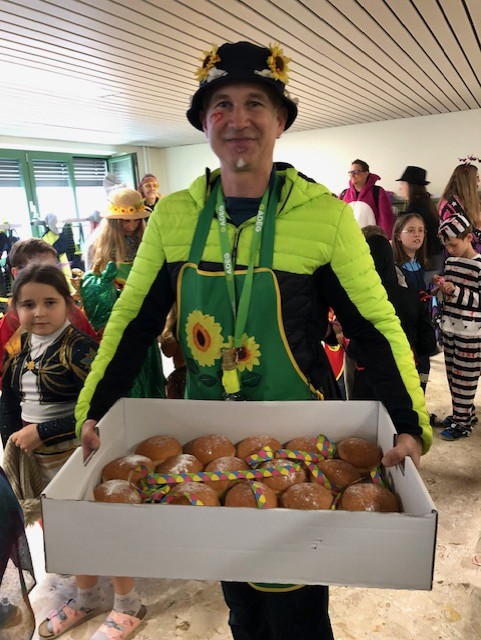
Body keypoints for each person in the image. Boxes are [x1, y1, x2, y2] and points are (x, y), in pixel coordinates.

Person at [76, 41, 431, 640]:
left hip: (300, 443)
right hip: (208, 443)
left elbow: (374, 327)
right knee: (238, 594)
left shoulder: (323, 216)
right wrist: (94, 410)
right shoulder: (174, 216)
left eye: (255, 103)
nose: (237, 118)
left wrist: (409, 423)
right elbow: (131, 324)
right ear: (204, 122)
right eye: (222, 105)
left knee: (295, 608)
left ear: (281, 119)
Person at [80, 188, 165, 399]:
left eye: (136, 220)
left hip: (144, 316)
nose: (131, 226)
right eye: (125, 221)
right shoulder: (96, 246)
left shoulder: (149, 241)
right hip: (113, 320)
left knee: (146, 369)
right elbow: (91, 289)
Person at [0, 238, 96, 416]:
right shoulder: (10, 323)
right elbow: (6, 384)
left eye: (52, 271)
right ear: (16, 273)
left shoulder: (74, 314)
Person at [349, 225, 436, 398]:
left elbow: (353, 349)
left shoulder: (356, 299)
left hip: (368, 381)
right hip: (404, 377)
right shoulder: (414, 297)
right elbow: (428, 344)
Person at [433, 214, 481, 441]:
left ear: (469, 238)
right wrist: (442, 288)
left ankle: (462, 424)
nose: (450, 250)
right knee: (453, 376)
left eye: (453, 244)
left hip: (471, 334)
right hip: (450, 328)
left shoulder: (479, 266)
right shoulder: (451, 262)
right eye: (447, 246)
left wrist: (457, 291)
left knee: (465, 379)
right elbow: (450, 295)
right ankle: (464, 414)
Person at [392, 213, 434, 390]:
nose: (417, 234)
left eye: (421, 230)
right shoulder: (394, 268)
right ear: (398, 236)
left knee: (422, 375)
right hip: (406, 334)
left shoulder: (419, 264)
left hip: (421, 329)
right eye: (410, 230)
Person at [396, 165, 444, 285]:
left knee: (425, 291)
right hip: (435, 256)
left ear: (411, 185)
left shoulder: (416, 208)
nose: (400, 187)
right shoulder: (426, 203)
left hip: (428, 259)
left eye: (403, 183)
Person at [339, 158, 395, 237]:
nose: (352, 175)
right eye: (350, 172)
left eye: (356, 172)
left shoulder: (377, 192)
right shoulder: (344, 194)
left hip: (372, 240)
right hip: (348, 240)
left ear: (366, 173)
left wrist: (385, 240)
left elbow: (386, 220)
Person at [438, 160, 481, 252]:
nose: (479, 181)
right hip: (460, 252)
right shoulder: (450, 204)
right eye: (476, 177)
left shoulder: (467, 200)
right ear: (468, 180)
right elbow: (452, 235)